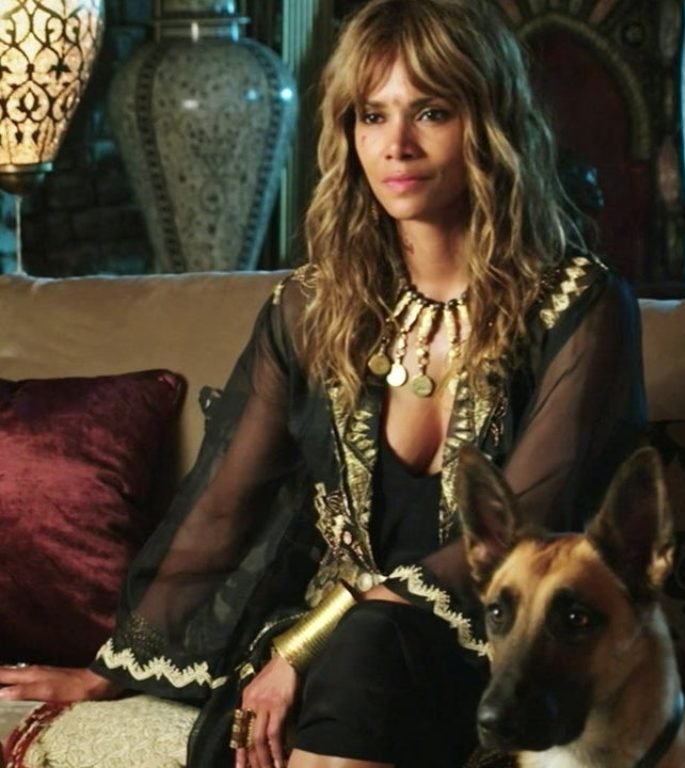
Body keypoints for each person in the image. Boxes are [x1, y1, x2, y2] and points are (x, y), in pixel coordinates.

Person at [0, 1, 646, 767]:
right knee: (341, 668)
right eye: (372, 115)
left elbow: (526, 530)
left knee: (368, 647)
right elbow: (220, 511)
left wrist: (307, 647)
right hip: (336, 654)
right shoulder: (312, 308)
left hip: (499, 655)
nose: (397, 144)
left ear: (489, 123)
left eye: (431, 111)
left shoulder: (580, 306)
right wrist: (113, 667)